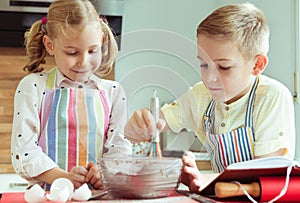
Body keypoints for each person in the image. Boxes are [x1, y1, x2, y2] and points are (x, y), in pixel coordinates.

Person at [124, 3, 295, 192]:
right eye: (203, 65)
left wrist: (209, 180)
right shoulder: (200, 96)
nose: (209, 78)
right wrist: (139, 126)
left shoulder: (271, 97)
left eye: (224, 67)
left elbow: (267, 176)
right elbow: (157, 122)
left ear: (257, 64)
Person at [11, 0, 132, 190]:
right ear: (50, 45)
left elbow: (120, 148)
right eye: (72, 52)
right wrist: (62, 177)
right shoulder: (33, 87)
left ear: (101, 40)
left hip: (99, 197)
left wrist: (104, 171)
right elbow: (24, 152)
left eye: (92, 50)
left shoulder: (114, 92)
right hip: (48, 196)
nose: (83, 62)